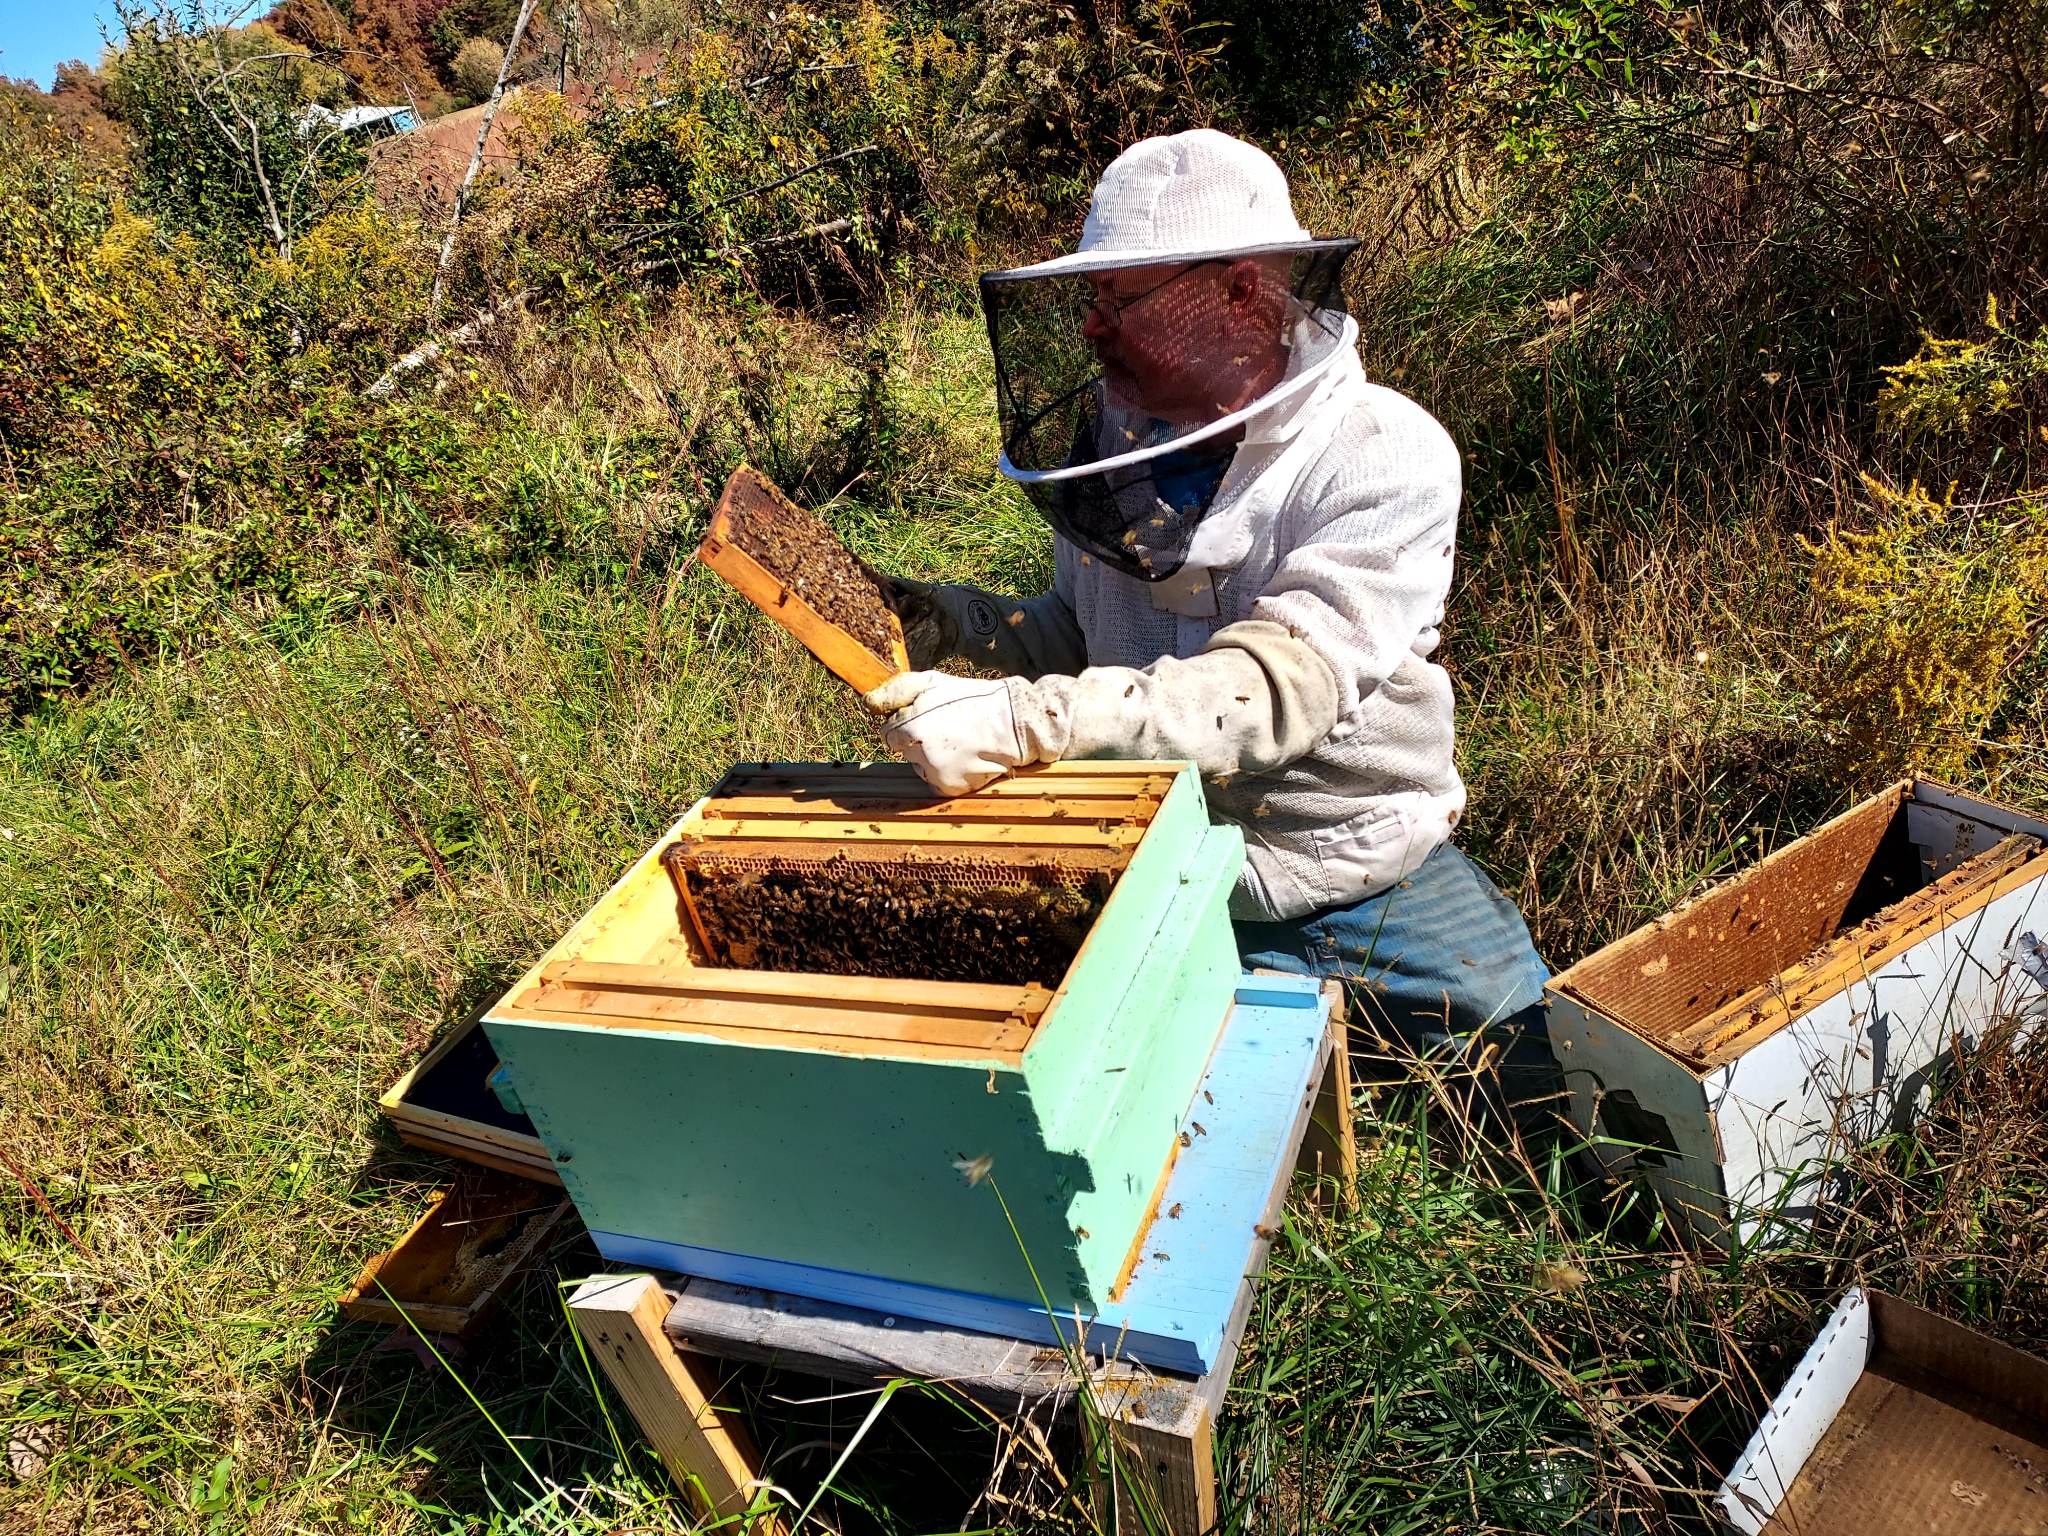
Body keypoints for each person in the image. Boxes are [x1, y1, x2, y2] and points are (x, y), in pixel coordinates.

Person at [864, 129, 1561, 1128]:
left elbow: (1273, 690)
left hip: (1351, 870)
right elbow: (1086, 634)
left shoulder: (1378, 453)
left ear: (1238, 292)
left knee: (1553, 1097)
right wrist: (949, 623)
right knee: (1101, 1119)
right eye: (1089, 303)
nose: (1093, 332)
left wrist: (1024, 724)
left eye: (1123, 302)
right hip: (1159, 868)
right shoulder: (1114, 446)